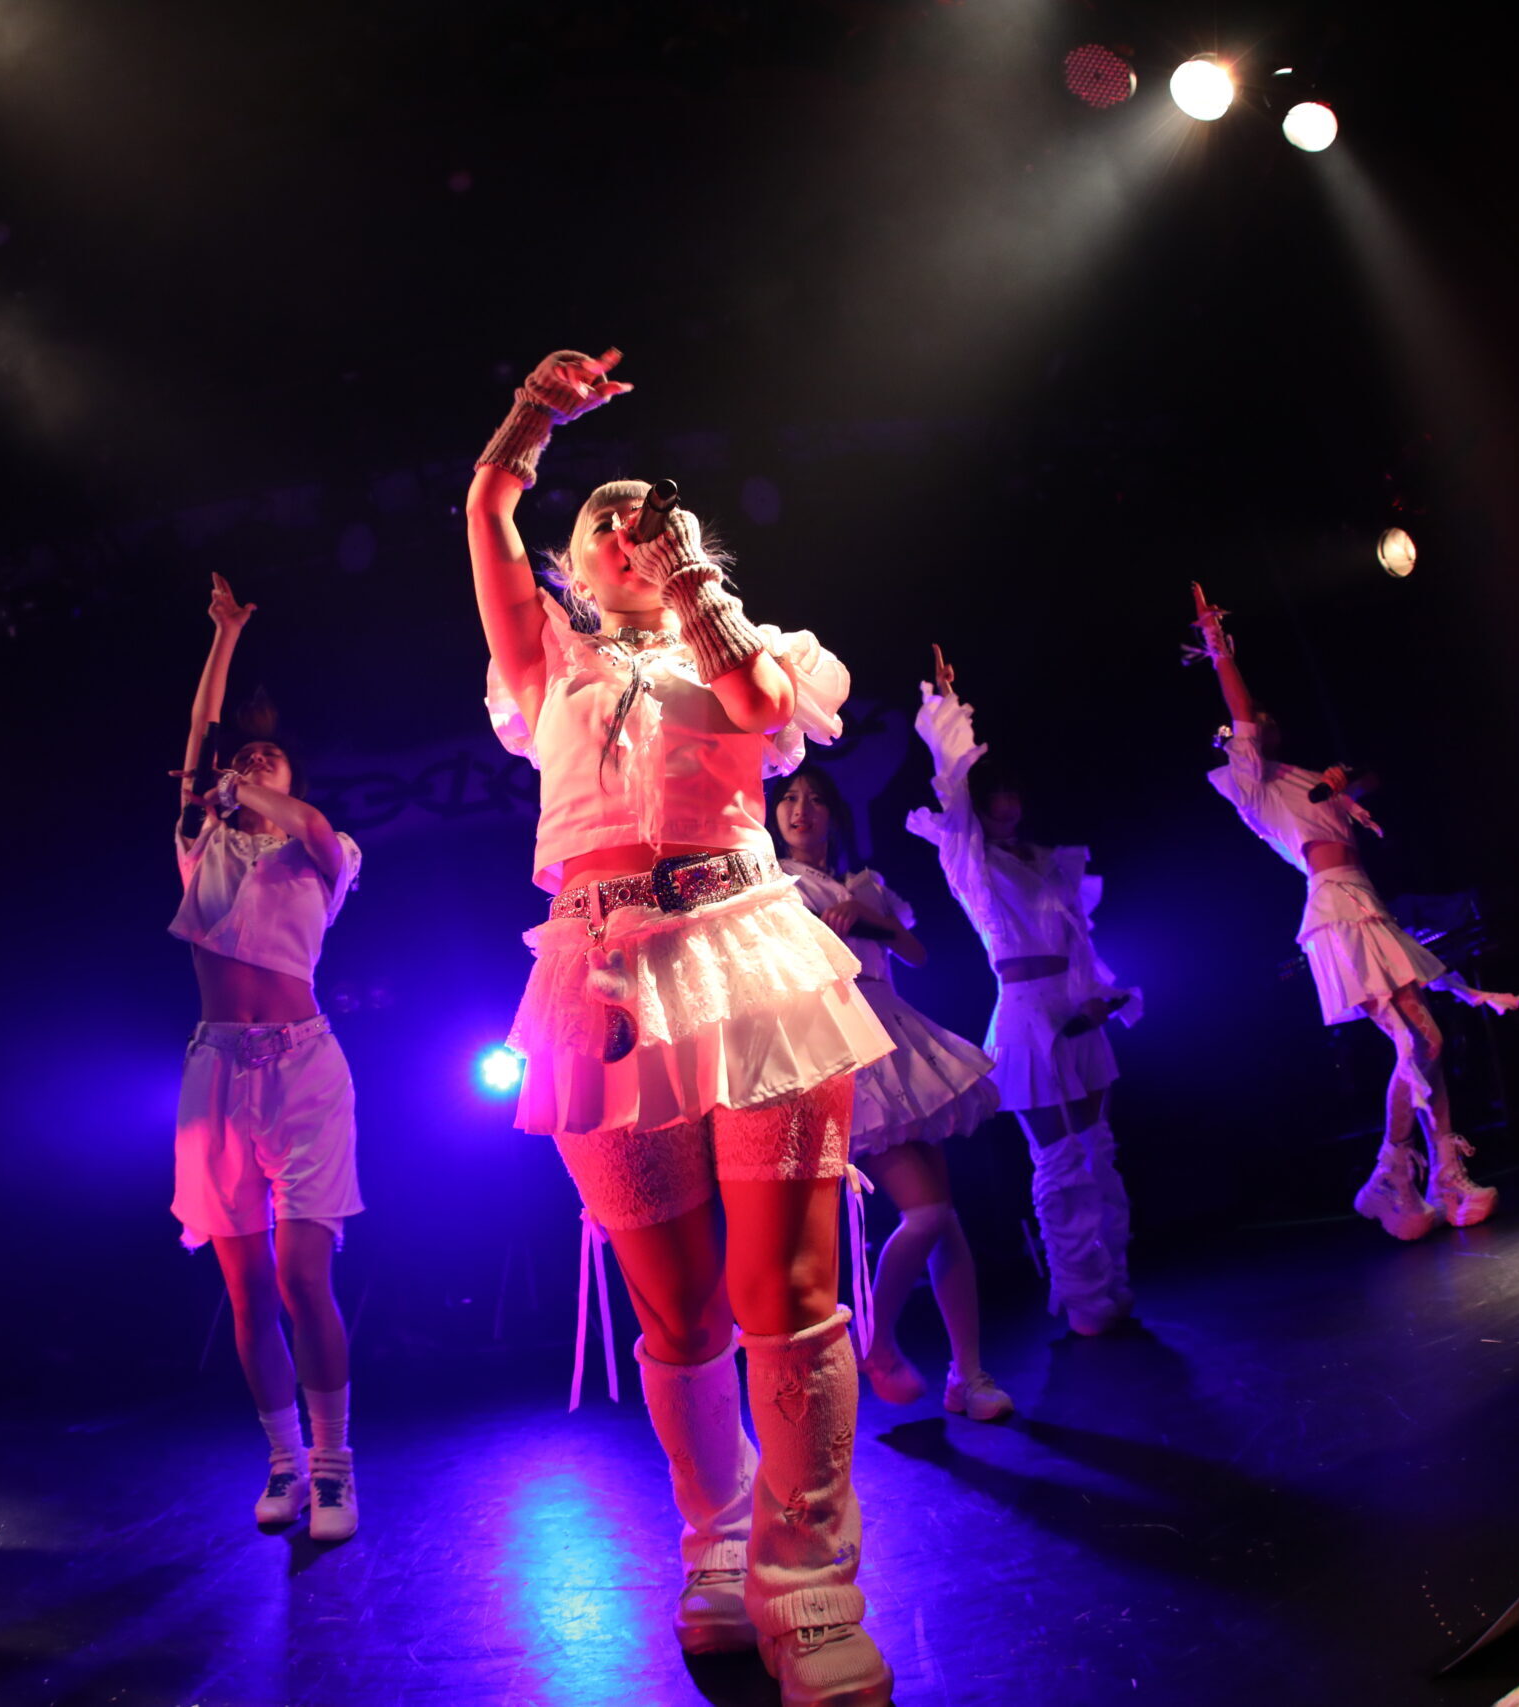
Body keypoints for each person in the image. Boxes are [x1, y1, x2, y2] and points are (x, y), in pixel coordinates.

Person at [468, 349, 896, 1706]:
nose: (620, 531)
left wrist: (698, 589)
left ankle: (810, 1583)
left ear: (684, 544)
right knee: (676, 1302)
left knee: (789, 1288)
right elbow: (486, 507)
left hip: (748, 951)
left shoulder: (754, 649)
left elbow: (764, 712)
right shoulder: (544, 656)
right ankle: (716, 1545)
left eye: (645, 519)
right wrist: (534, 418)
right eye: (599, 520)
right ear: (574, 563)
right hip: (596, 974)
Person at [1189, 585, 1519, 1239]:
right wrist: (1217, 646)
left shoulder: (1306, 780)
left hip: (1366, 905)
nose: (1261, 720)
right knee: (1421, 1040)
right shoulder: (1254, 785)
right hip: (1336, 914)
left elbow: (1372, 782)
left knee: (1424, 1041)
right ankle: (1410, 1174)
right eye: (1253, 720)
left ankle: (1419, 1177)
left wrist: (1352, 781)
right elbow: (1240, 712)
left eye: (1266, 716)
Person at [167, 573, 367, 1542]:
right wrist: (224, 636)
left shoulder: (323, 849)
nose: (250, 761)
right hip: (216, 1072)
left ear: (291, 782)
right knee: (246, 1287)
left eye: (269, 758)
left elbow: (314, 826)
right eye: (243, 757)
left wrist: (251, 788)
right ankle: (284, 1463)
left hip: (305, 1071)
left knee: (301, 1277)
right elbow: (196, 738)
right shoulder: (199, 844)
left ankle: (333, 1470)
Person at [907, 647, 1142, 1338]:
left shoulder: (1048, 861)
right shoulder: (971, 862)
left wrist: (1101, 994)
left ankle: (1111, 1281)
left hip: (1077, 1009)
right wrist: (947, 707)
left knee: (1097, 1152)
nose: (1006, 806)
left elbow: (1080, 939)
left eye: (1013, 794)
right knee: (1060, 1158)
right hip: (1026, 1016)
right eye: (995, 795)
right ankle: (1082, 1293)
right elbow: (952, 794)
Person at [769, 764, 1011, 1419]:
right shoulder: (776, 885)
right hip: (846, 1041)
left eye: (815, 799)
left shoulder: (866, 883)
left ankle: (969, 1375)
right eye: (789, 798)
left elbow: (916, 952)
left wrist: (870, 915)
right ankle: (875, 1342)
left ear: (835, 814)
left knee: (946, 1218)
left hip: (897, 1034)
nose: (801, 809)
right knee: (927, 1212)